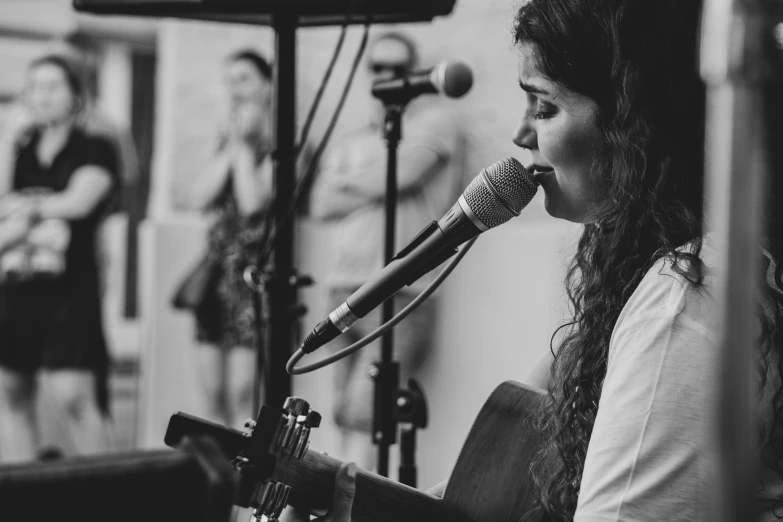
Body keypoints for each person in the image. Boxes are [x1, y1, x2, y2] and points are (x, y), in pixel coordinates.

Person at [283, 0, 783, 521]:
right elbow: (502, 488)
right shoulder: (662, 277)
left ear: (636, 124)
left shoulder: (685, 301)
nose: (521, 136)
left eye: (543, 107)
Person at [308, 31, 466, 471]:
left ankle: (352, 506)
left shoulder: (436, 121)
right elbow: (320, 203)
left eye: (396, 68)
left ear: (411, 73)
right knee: (341, 412)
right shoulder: (353, 135)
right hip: (344, 287)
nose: (386, 76)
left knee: (366, 413)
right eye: (377, 67)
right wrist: (373, 181)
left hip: (401, 291)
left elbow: (402, 175)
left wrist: (349, 181)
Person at [0, 54, 119, 463]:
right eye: (34, 87)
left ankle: (107, 493)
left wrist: (26, 207)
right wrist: (9, 143)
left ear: (75, 97)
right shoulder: (20, 148)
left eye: (52, 86)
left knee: (73, 394)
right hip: (16, 287)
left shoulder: (95, 146)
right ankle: (22, 493)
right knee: (12, 389)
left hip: (71, 289)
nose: (42, 95)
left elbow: (80, 202)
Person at [173, 50, 276, 429]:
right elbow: (199, 197)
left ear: (268, 87)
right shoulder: (223, 142)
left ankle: (245, 478)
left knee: (242, 394)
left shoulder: (283, 147)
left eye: (244, 79)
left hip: (256, 279)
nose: (235, 89)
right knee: (212, 393)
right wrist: (233, 142)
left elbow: (252, 202)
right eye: (229, 80)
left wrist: (245, 145)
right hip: (216, 278)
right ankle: (222, 479)